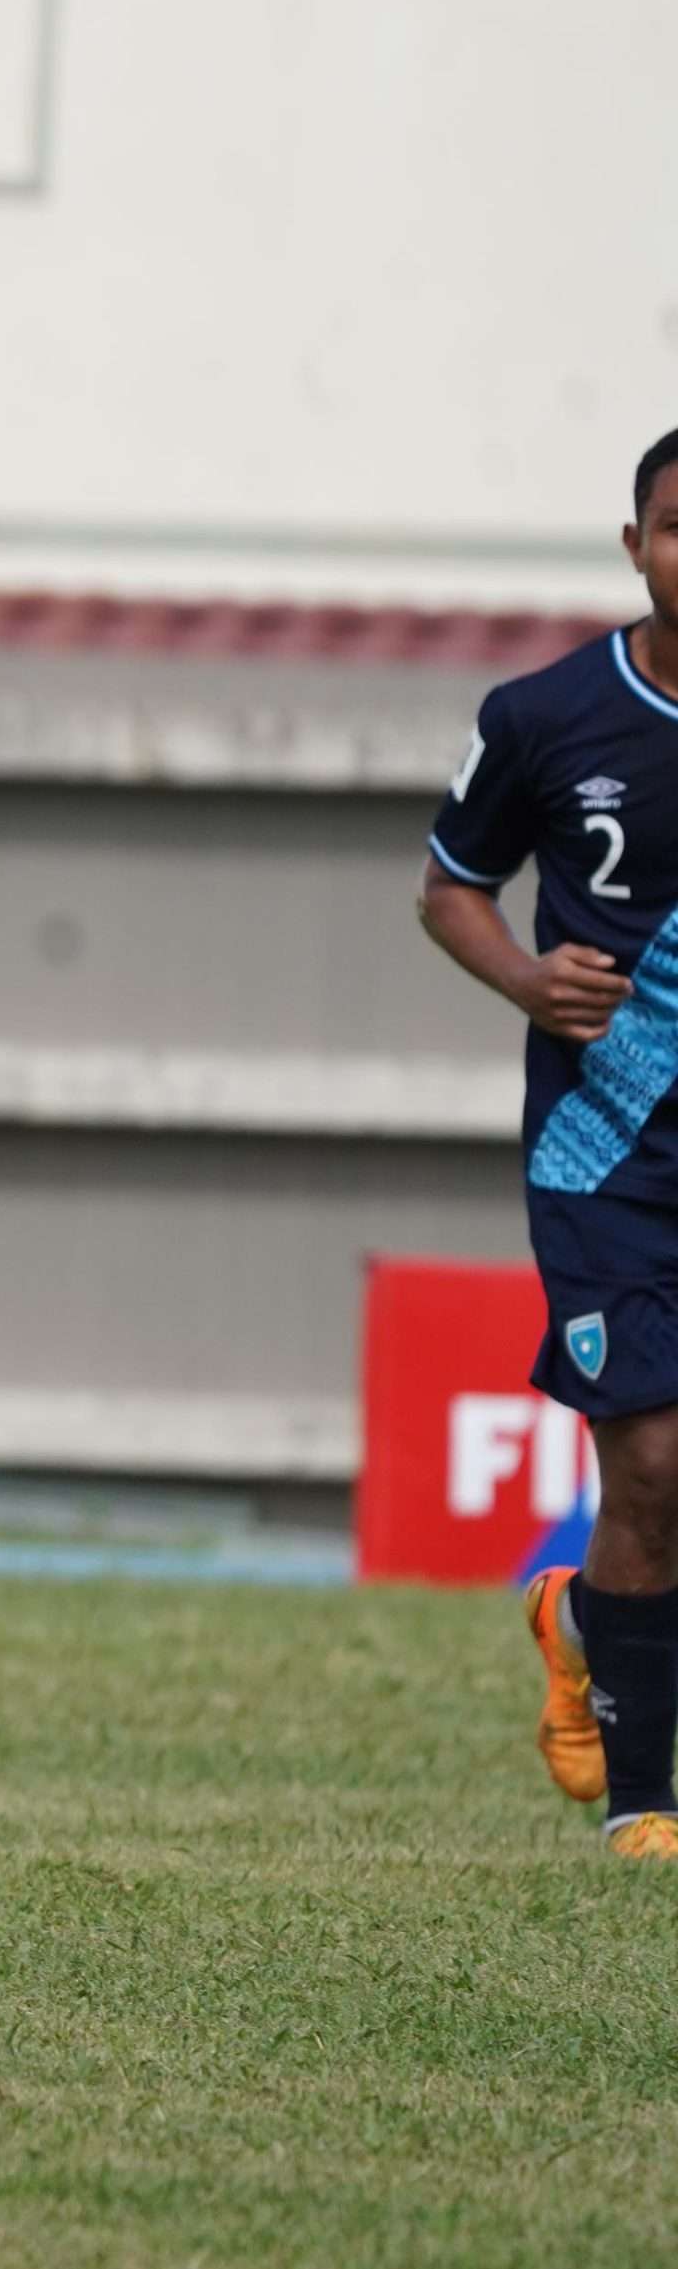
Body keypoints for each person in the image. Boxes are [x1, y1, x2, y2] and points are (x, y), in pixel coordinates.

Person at [423, 422, 678, 1859]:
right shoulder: (544, 715)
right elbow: (447, 887)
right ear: (635, 543)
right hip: (606, 1154)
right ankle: (648, 1800)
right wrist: (529, 978)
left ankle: (579, 1614)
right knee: (649, 1458)